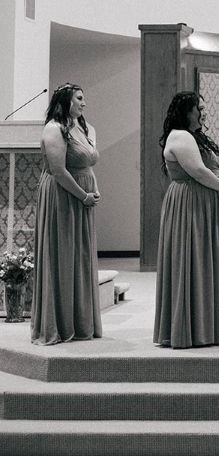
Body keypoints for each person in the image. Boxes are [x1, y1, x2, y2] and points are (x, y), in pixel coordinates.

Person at [153, 91, 219, 348]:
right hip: (190, 205)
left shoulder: (194, 136)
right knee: (192, 260)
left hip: (203, 204)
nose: (204, 112)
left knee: (204, 262)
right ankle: (191, 329)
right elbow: (198, 171)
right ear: (186, 111)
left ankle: (207, 327)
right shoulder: (180, 136)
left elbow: (207, 168)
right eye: (200, 107)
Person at [30, 83, 102, 345]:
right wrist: (83, 195)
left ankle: (80, 321)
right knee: (61, 256)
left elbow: (87, 161)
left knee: (79, 257)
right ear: (65, 101)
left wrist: (93, 190)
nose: (84, 103)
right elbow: (58, 170)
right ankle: (57, 324)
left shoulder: (84, 127)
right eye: (79, 98)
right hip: (62, 197)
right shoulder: (53, 128)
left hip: (83, 200)